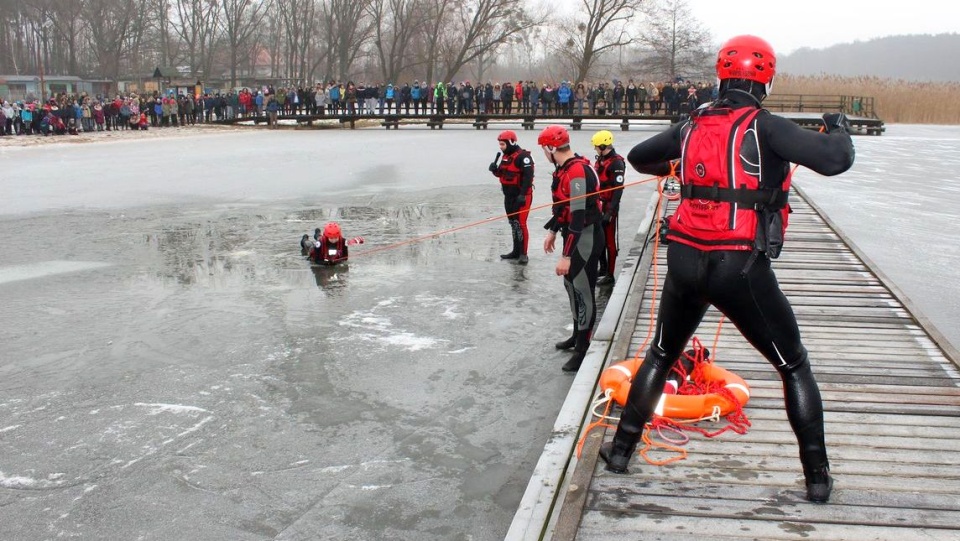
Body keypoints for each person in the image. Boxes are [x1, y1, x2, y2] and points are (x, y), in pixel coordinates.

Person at [597, 35, 855, 504]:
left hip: (685, 258)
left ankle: (620, 453)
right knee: (794, 364)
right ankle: (817, 479)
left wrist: (681, 170)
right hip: (737, 267)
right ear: (767, 80)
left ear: (722, 76)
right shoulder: (767, 126)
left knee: (660, 354)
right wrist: (838, 128)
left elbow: (639, 157)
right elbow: (837, 159)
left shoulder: (692, 124)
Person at [539, 125, 604, 372]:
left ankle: (582, 349)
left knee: (582, 288)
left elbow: (577, 217)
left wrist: (566, 256)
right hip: (574, 235)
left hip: (585, 236)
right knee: (570, 285)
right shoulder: (564, 169)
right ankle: (577, 334)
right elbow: (562, 209)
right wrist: (553, 230)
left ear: (551, 148)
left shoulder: (576, 172)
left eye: (544, 150)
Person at [489, 130, 535, 264]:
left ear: (511, 142)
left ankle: (523, 254)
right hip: (508, 196)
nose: (501, 147)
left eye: (503, 144)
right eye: (500, 144)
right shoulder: (505, 157)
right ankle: (516, 251)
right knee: (513, 224)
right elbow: (503, 175)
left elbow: (528, 177)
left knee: (520, 224)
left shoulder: (523, 157)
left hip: (521, 197)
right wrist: (495, 171)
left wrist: (522, 195)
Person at [591, 130, 626, 285]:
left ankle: (610, 275)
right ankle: (603, 267)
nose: (595, 149)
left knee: (610, 241)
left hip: (609, 206)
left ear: (603, 145)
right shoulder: (601, 159)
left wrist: (611, 211)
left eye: (596, 146)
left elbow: (618, 189)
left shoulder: (616, 163)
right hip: (598, 204)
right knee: (599, 239)